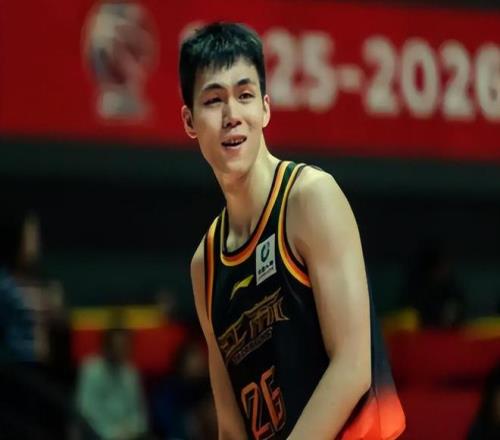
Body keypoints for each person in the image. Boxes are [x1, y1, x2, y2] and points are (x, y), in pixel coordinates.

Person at [179, 22, 405, 439]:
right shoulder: (205, 265)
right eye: (213, 100)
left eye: (245, 95)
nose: (232, 116)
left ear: (265, 108)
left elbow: (353, 365)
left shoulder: (309, 198)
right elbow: (231, 426)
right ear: (190, 121)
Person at [76, 327, 148, 440]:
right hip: (100, 435)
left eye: (126, 345)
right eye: (118, 346)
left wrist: (133, 430)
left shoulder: (131, 372)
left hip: (131, 434)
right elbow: (88, 411)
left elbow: (138, 411)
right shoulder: (91, 370)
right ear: (107, 346)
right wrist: (112, 434)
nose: (122, 349)